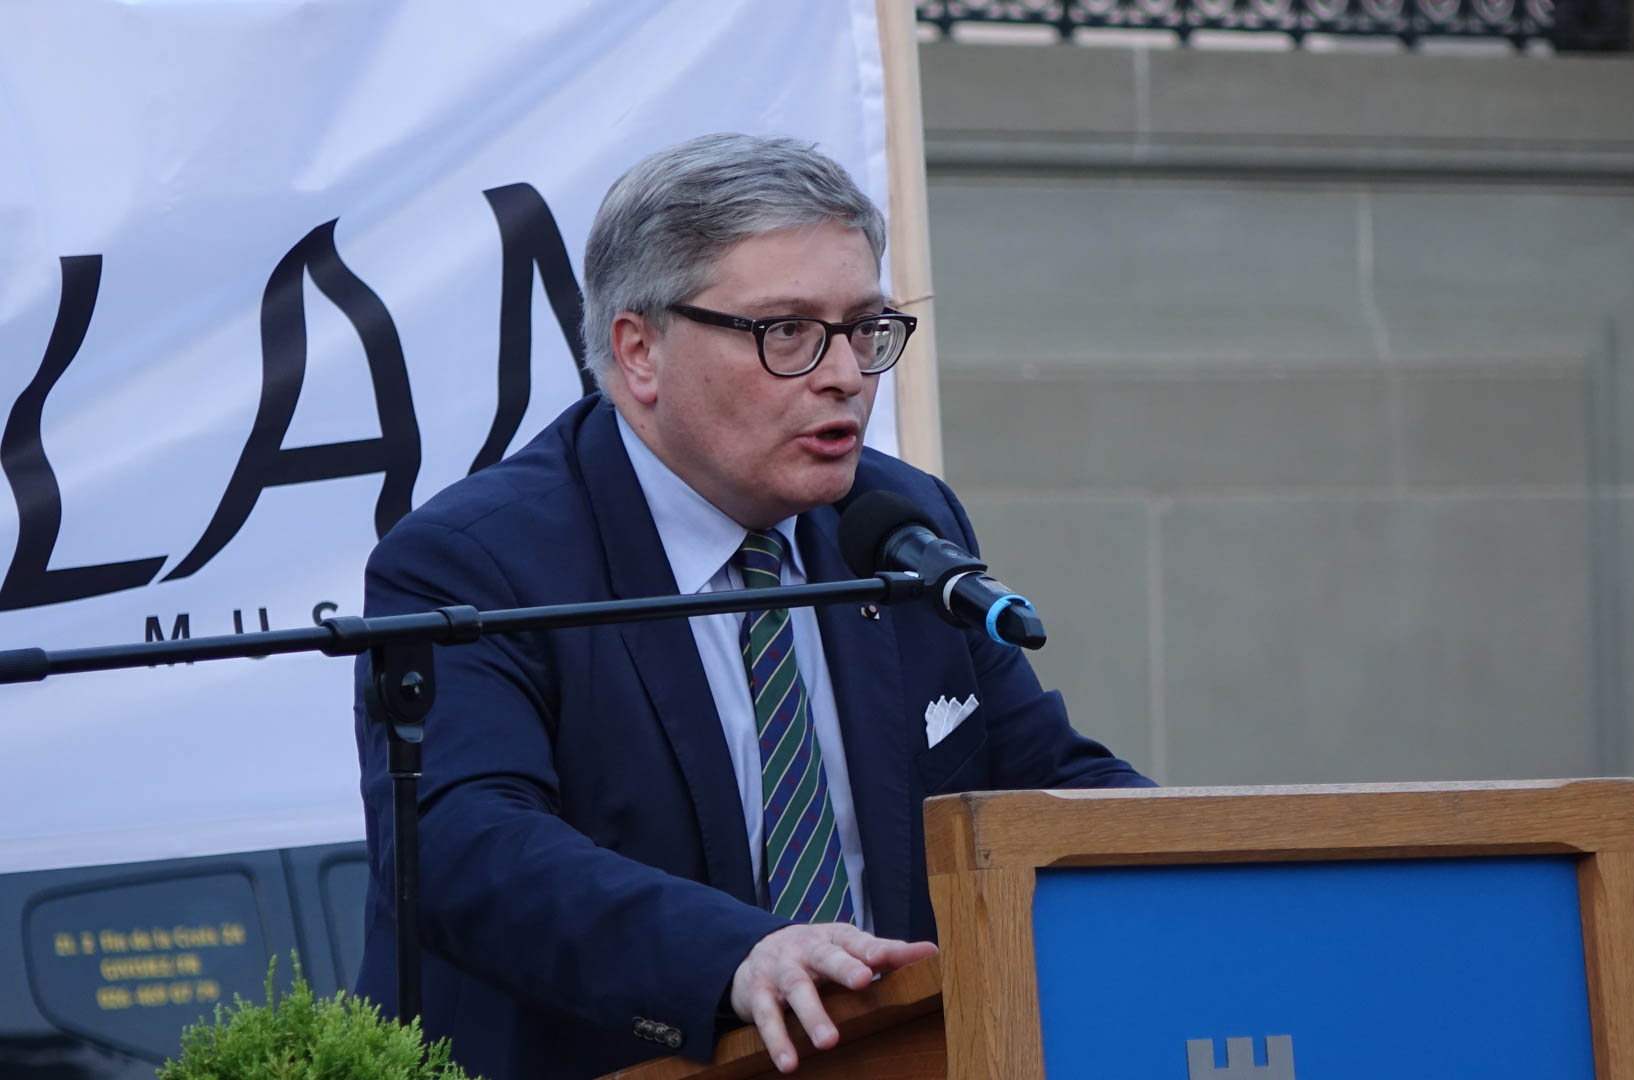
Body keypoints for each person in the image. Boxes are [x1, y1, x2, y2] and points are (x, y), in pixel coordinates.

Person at [351, 132, 1151, 1080]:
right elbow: (468, 850)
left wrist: (1224, 865)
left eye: (864, 328)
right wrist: (735, 953)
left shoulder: (900, 525)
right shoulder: (476, 562)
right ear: (639, 351)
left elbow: (1041, 781)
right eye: (787, 332)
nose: (846, 374)